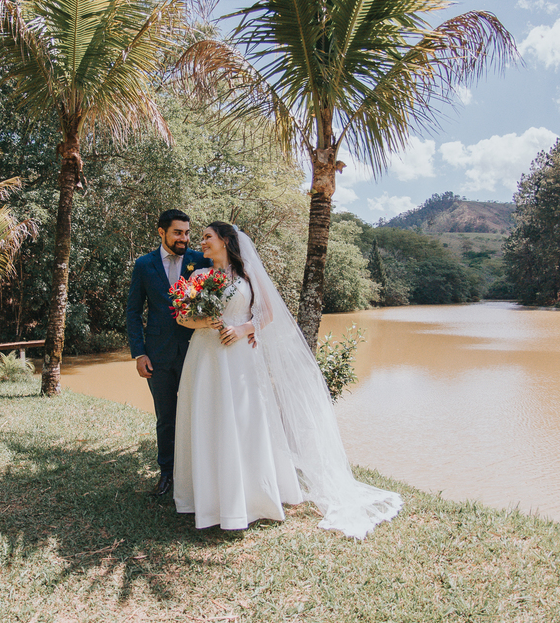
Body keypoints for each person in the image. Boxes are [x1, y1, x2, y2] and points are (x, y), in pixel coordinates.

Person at [173, 222, 402, 539]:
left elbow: (267, 315)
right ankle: (211, 499)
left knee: (243, 420)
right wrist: (204, 320)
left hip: (239, 356)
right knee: (210, 418)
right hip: (206, 356)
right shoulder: (198, 277)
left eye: (208, 237)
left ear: (226, 241)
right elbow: (182, 317)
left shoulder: (248, 277)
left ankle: (252, 496)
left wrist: (243, 329)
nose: (203, 242)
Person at [126, 209, 210, 497]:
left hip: (197, 351)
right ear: (161, 232)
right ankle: (167, 473)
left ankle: (198, 472)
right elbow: (133, 311)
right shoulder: (143, 265)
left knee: (198, 412)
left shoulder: (201, 260)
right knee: (166, 416)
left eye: (187, 233)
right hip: (157, 354)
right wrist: (139, 353)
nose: (184, 238)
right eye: (177, 232)